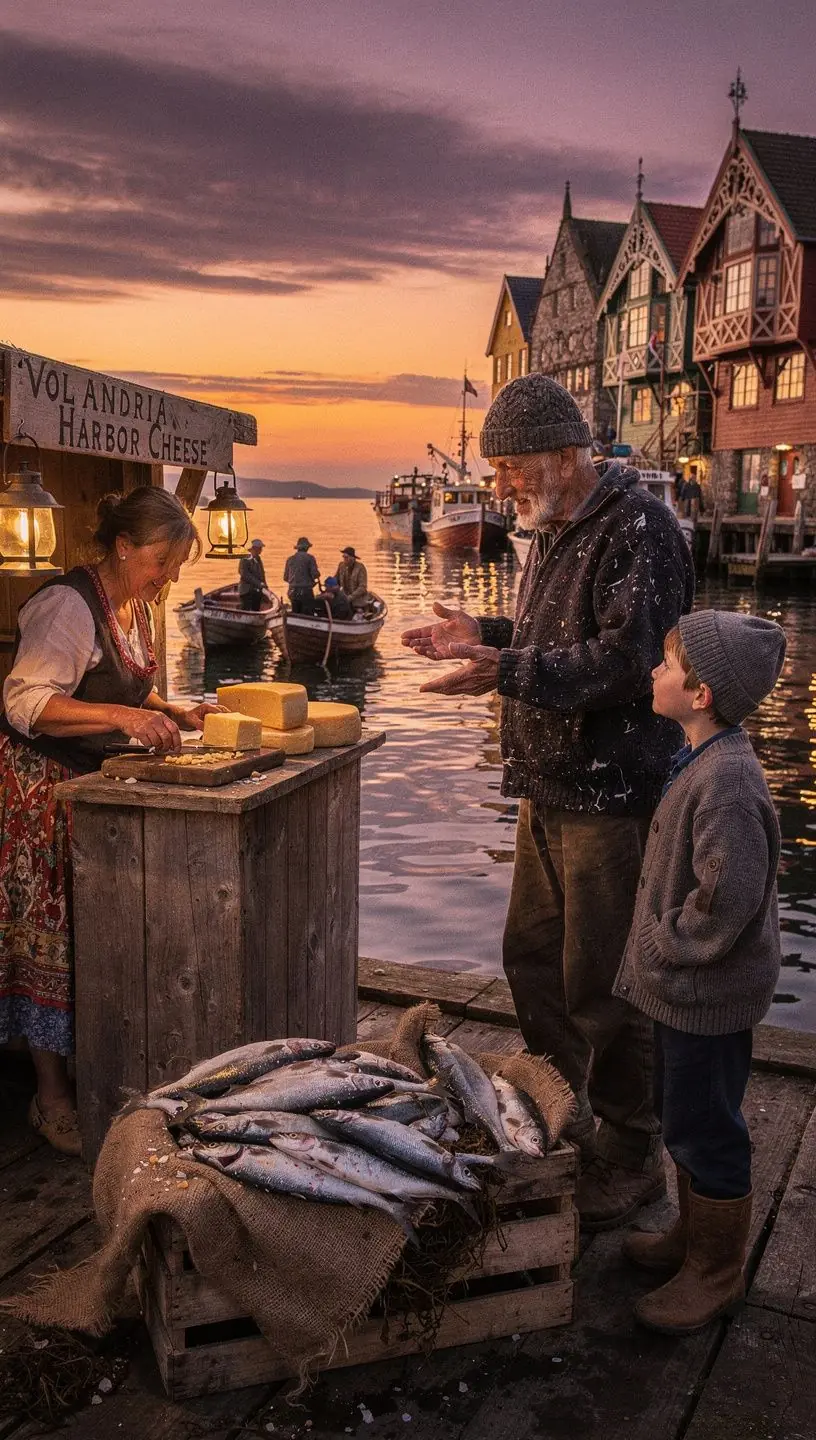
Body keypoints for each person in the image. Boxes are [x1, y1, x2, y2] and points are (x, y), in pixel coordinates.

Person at [402, 374, 695, 1227]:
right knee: (532, 962)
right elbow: (547, 643)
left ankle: (632, 1152)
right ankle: (563, 1116)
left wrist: (508, 670)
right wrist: (483, 636)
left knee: (604, 983)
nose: (499, 489)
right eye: (494, 472)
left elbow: (630, 664)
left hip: (611, 794)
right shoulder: (556, 527)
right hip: (548, 785)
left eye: (511, 468)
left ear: (567, 456)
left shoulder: (641, 529)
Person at [0, 487, 220, 1154]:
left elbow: (122, 684)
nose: (169, 576)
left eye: (178, 565)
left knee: (89, 934)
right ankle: (51, 1098)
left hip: (90, 791)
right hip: (39, 791)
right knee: (46, 941)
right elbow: (25, 700)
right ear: (124, 548)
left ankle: (101, 1076)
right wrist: (126, 719)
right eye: (162, 561)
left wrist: (171, 710)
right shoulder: (67, 606)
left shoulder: (134, 605)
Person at [614, 611, 785, 1333]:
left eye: (667, 664)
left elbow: (726, 900)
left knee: (706, 1127)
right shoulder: (698, 758)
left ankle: (716, 1273)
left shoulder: (727, 783)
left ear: (702, 693)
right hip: (683, 991)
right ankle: (692, 1240)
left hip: (704, 991)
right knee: (682, 1115)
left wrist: (664, 942)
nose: (654, 673)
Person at [284, 537, 319, 614]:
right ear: (307, 548)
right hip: (306, 591)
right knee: (308, 614)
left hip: (292, 591)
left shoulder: (290, 559)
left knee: (295, 613)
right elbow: (315, 574)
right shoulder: (310, 558)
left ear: (298, 548)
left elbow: (285, 578)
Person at [238, 538, 267, 611]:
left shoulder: (258, 558)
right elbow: (244, 574)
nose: (261, 550)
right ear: (255, 548)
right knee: (245, 608)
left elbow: (262, 574)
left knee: (256, 608)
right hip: (246, 590)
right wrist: (258, 583)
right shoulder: (245, 558)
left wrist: (265, 586)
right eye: (260, 548)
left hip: (256, 590)